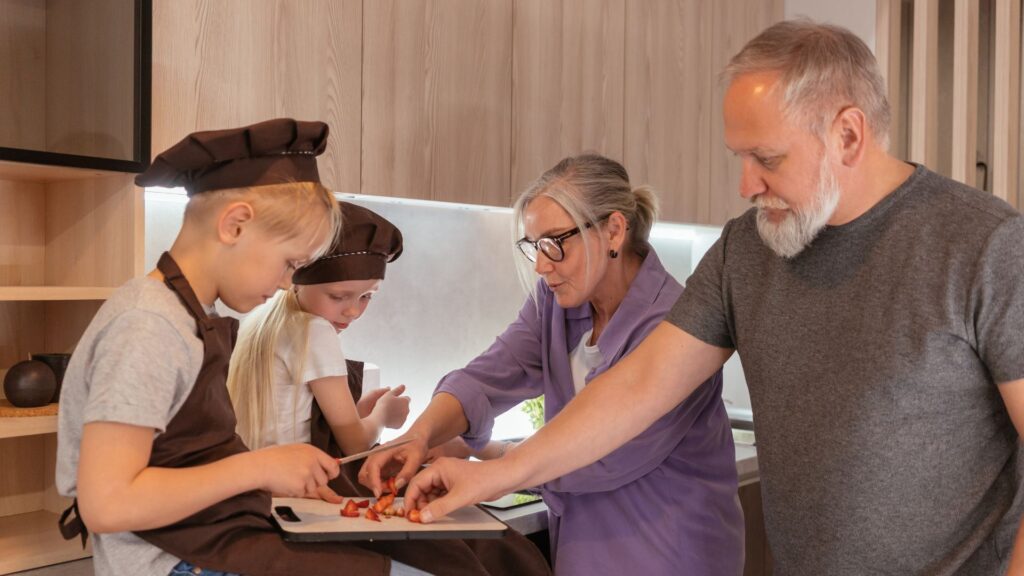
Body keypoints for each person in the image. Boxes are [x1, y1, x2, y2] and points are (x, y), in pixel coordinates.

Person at [400, 20, 1024, 576]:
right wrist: (492, 473)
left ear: (849, 136)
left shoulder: (984, 245)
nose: (746, 184)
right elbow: (637, 387)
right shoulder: (746, 252)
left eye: (767, 158)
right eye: (739, 157)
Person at [55, 118, 549, 576]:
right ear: (235, 225)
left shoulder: (185, 318)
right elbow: (108, 503)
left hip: (205, 535)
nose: (287, 281)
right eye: (289, 262)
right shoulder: (149, 326)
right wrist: (258, 466)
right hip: (173, 561)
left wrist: (268, 474)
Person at [361, 154, 744, 575]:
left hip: (670, 548)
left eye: (554, 243)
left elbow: (601, 454)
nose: (542, 265)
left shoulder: (674, 323)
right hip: (583, 546)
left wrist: (493, 467)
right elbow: (488, 377)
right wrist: (421, 434)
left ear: (614, 230)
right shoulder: (557, 304)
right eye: (534, 247)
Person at [227, 201, 410, 456]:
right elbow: (355, 444)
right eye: (337, 296)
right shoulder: (314, 330)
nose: (353, 311)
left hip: (260, 481)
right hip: (295, 484)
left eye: (367, 296)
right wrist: (383, 416)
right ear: (297, 283)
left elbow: (284, 426)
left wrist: (358, 414)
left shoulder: (263, 320)